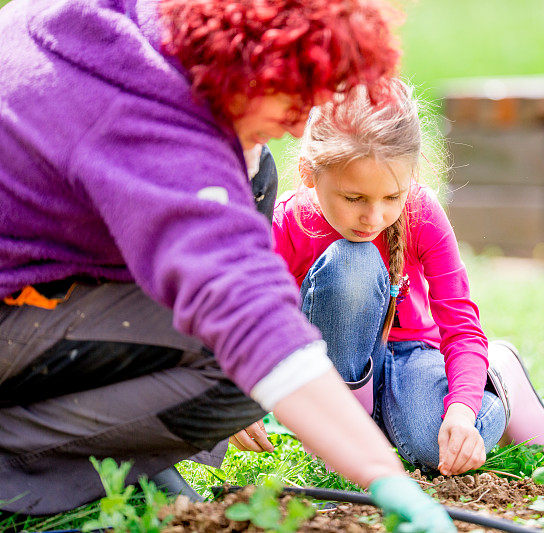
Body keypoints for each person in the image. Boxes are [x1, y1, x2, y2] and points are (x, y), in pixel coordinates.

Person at [0, 0, 456, 530]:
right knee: (236, 362)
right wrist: (385, 475)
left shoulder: (140, 30)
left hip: (33, 273)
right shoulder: (143, 122)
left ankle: (117, 458)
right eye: (293, 98)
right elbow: (247, 317)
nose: (294, 123)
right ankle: (22, 466)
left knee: (252, 173)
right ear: (250, 65)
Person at [270, 79, 544, 477]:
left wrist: (460, 413)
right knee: (352, 262)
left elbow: (460, 325)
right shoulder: (288, 223)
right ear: (308, 172)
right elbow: (258, 322)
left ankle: (498, 373)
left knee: (435, 448)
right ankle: (347, 431)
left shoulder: (422, 212)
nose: (373, 217)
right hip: (331, 365)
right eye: (354, 198)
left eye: (392, 197)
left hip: (412, 356)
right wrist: (238, 402)